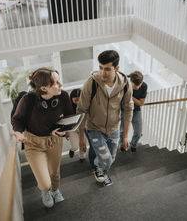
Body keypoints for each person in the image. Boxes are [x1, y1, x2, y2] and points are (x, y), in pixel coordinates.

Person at [11, 68, 73, 208]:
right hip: (33, 143)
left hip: (54, 141)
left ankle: (55, 190)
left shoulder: (63, 96)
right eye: (56, 82)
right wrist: (19, 133)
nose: (61, 85)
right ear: (44, 88)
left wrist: (64, 130)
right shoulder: (27, 100)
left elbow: (69, 117)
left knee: (54, 173)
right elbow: (17, 119)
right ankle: (45, 190)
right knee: (45, 182)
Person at [77, 50, 134, 186]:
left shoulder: (125, 84)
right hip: (94, 128)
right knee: (106, 159)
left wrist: (125, 136)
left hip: (114, 128)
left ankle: (100, 167)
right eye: (100, 68)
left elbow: (128, 109)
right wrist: (81, 138)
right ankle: (97, 168)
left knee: (111, 158)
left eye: (107, 69)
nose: (103, 73)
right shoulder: (91, 83)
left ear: (117, 68)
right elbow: (81, 110)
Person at [119, 71, 147, 152]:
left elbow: (141, 103)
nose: (138, 87)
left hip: (136, 111)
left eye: (139, 84)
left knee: (138, 132)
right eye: (135, 85)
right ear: (130, 80)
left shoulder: (144, 86)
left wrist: (130, 96)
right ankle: (122, 145)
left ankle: (133, 145)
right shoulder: (124, 82)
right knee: (122, 131)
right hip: (123, 110)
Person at [68, 88, 88, 162]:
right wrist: (66, 132)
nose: (78, 102)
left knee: (83, 143)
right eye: (75, 100)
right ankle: (72, 149)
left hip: (83, 128)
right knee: (75, 146)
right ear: (71, 99)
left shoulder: (86, 105)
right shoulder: (68, 108)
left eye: (80, 99)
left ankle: (82, 157)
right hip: (72, 129)